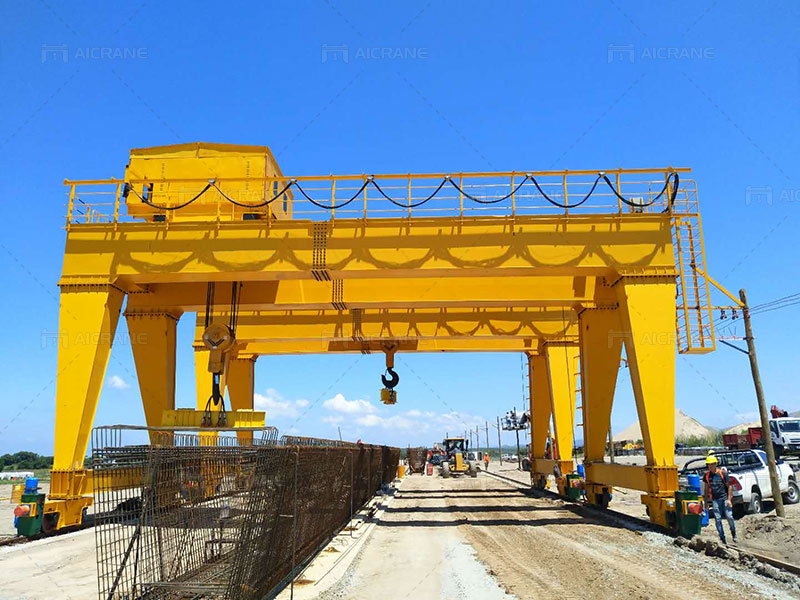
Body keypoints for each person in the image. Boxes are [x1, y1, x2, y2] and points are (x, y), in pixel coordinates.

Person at [704, 453, 737, 544]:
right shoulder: (707, 476)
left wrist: (729, 500)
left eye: (711, 464)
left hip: (725, 499)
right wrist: (706, 503)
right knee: (717, 519)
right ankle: (722, 539)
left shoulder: (722, 474)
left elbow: (729, 486)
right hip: (715, 500)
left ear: (715, 464)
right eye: (708, 465)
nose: (710, 466)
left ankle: (734, 534)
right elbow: (706, 489)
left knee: (729, 517)